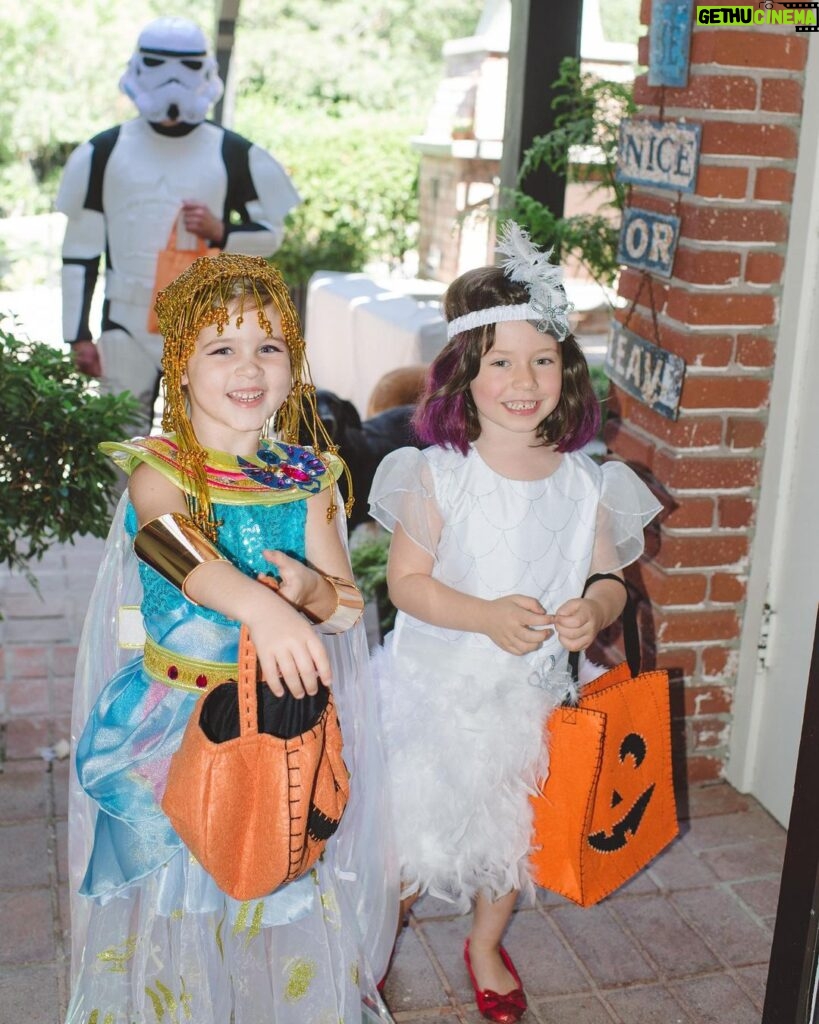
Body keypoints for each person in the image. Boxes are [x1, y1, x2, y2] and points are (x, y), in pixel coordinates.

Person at [66, 253, 397, 1023]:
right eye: (221, 348)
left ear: (293, 363)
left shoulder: (308, 478)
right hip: (171, 731)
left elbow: (346, 605)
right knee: (175, 912)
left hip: (274, 731)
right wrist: (265, 608)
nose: (248, 366)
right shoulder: (162, 470)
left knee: (267, 890)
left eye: (269, 346)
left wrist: (314, 595)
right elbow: (172, 547)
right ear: (179, 368)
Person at [368, 223, 661, 1023]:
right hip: (438, 693)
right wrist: (482, 614)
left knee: (509, 839)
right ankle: (372, 943)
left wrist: (595, 606)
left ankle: (486, 941)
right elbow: (408, 584)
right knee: (408, 842)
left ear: (567, 371)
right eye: (500, 361)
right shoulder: (436, 474)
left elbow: (609, 575)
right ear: (464, 377)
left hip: (534, 702)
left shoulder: (586, 483)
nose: (523, 379)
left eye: (542, 359)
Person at [56, 16, 300, 435]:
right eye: (158, 63)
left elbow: (271, 234)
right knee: (119, 446)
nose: (172, 78)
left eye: (186, 65)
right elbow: (80, 252)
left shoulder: (234, 153)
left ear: (204, 69)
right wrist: (77, 335)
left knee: (208, 446)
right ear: (138, 66)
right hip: (125, 324)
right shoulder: (102, 153)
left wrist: (220, 232)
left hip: (208, 324)